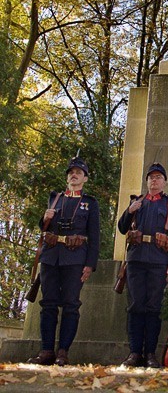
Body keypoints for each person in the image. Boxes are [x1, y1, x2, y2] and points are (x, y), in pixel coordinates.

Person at [28, 156, 100, 367]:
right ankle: (47, 350)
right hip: (51, 256)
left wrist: (90, 264)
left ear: (85, 178)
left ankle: (63, 351)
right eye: (71, 172)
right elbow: (44, 227)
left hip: (75, 258)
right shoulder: (55, 198)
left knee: (70, 305)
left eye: (78, 172)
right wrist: (45, 218)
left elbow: (94, 236)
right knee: (48, 303)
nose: (74, 175)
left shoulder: (90, 203)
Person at [118, 162, 168, 368]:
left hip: (158, 261)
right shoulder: (137, 202)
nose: (154, 181)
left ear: (165, 182)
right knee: (136, 306)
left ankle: (150, 354)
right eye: (151, 177)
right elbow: (121, 228)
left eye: (158, 177)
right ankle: (135, 352)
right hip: (136, 260)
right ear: (147, 181)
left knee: (154, 308)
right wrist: (129, 211)